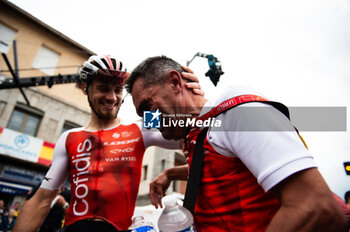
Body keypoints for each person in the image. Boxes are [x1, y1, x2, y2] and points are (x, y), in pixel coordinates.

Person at [125, 55, 347, 231]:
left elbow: (316, 206)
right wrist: (171, 173)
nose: (149, 121)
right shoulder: (195, 131)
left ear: (175, 82)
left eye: (148, 107)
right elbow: (223, 166)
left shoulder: (234, 110)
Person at [13, 55, 202, 232]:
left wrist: (191, 97)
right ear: (85, 88)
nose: (112, 97)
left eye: (118, 90)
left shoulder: (142, 126)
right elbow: (42, 200)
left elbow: (200, 130)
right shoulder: (69, 137)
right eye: (104, 88)